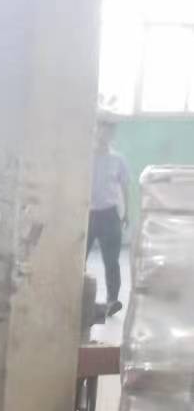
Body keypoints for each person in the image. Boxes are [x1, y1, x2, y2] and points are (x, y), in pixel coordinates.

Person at [88, 114, 131, 317]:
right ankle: (77, 296)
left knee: (111, 261)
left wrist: (126, 212)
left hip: (110, 215)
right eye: (103, 129)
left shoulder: (118, 160)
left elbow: (125, 187)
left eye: (110, 130)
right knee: (78, 259)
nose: (106, 133)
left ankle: (112, 301)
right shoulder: (86, 157)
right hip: (86, 214)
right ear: (96, 130)